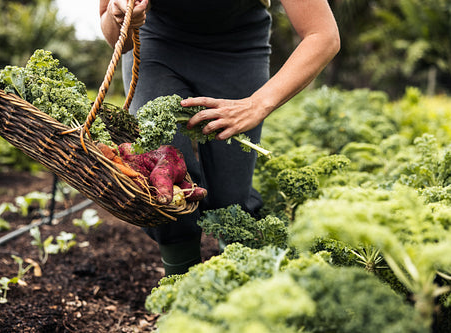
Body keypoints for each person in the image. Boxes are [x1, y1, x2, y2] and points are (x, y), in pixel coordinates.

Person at [100, 0, 340, 275]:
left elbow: (323, 35)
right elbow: (111, 34)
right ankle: (181, 291)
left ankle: (233, 284)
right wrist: (121, 17)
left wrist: (256, 103)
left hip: (237, 50)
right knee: (164, 185)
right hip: (157, 45)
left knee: (232, 201)